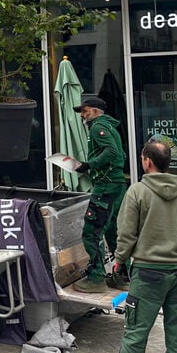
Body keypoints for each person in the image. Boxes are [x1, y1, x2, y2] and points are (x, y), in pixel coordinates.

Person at [114, 139, 177, 353]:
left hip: (147, 275)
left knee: (136, 334)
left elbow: (126, 233)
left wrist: (119, 260)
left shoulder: (137, 192)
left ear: (148, 162)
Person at [71, 96, 127, 292]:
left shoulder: (97, 127)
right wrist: (90, 168)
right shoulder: (111, 127)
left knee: (92, 231)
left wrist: (90, 165)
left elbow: (112, 152)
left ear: (95, 111)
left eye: (85, 111)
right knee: (112, 229)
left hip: (105, 186)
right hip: (117, 183)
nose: (83, 115)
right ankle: (123, 276)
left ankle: (96, 278)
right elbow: (120, 155)